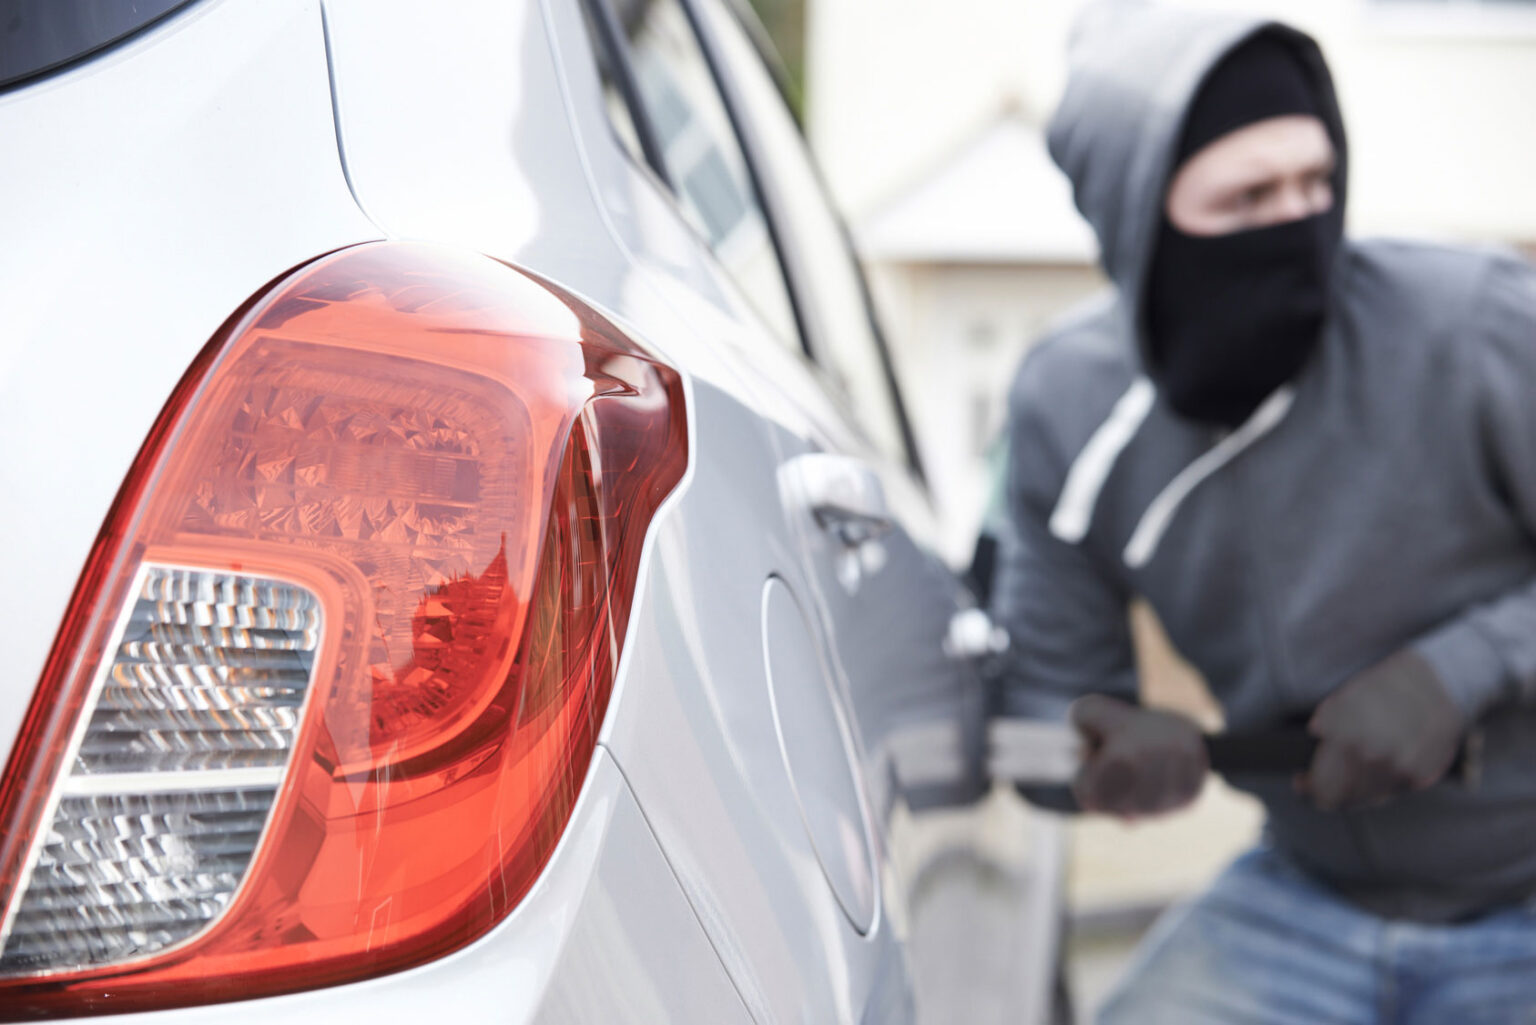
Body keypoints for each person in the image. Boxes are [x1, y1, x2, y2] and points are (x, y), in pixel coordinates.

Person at [990, 2, 1536, 1021]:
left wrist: (1457, 672)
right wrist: (1099, 757)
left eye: (1316, 182)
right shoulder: (1069, 406)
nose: (1297, 222)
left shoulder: (1477, 327)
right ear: (1140, 213)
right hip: (1306, 896)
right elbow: (1044, 703)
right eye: (1248, 197)